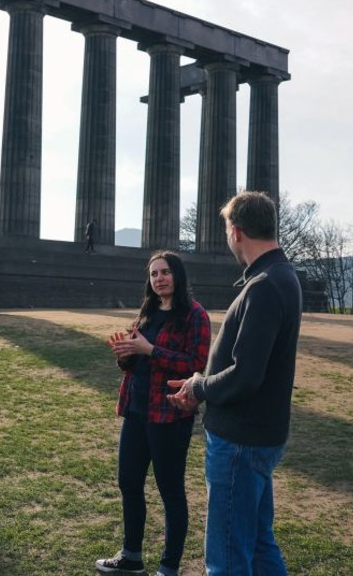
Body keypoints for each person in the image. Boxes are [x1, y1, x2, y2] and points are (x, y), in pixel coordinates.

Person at [168, 191, 302, 576]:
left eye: (227, 229)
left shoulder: (264, 285)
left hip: (241, 440)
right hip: (258, 436)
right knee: (259, 544)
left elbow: (246, 375)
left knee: (226, 558)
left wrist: (199, 388)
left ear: (236, 231)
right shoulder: (281, 277)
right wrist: (201, 380)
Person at [96, 251, 211, 576]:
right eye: (154, 274)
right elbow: (135, 363)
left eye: (165, 272)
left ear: (178, 275)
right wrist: (126, 354)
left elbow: (196, 365)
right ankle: (131, 557)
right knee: (129, 482)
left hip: (169, 416)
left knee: (170, 490)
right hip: (136, 410)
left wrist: (150, 350)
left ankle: (168, 567)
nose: (159, 278)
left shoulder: (194, 315)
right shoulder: (146, 312)